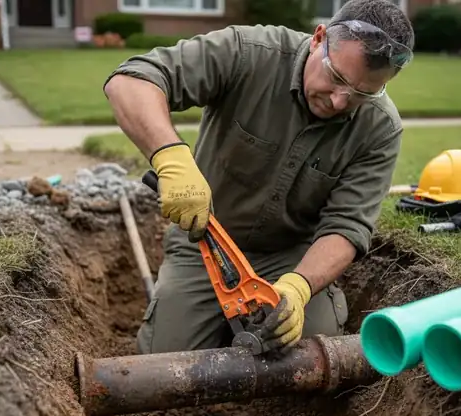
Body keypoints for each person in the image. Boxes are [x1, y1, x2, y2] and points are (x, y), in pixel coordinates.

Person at [103, 0, 415, 355]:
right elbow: (130, 81)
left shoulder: (380, 128)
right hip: (207, 245)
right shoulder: (248, 52)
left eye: (363, 93)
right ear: (319, 38)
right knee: (165, 361)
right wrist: (170, 156)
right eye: (337, 78)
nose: (341, 102)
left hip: (290, 257)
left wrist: (299, 287)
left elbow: (347, 226)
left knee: (315, 349)